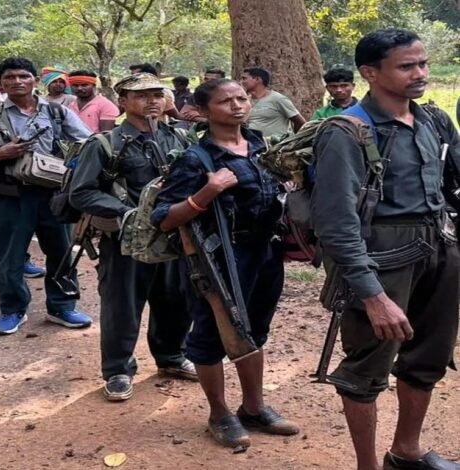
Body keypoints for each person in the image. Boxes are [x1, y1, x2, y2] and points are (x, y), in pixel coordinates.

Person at [311, 29, 460, 470]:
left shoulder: (433, 119)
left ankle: (406, 452)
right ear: (370, 73)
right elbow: (335, 223)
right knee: (365, 370)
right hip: (381, 260)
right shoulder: (346, 131)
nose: (420, 74)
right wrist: (372, 295)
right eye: (407, 66)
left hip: (439, 249)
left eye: (423, 63)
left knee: (429, 358)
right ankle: (367, 466)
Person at [152, 78, 299, 449]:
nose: (237, 106)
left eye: (242, 98)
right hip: (219, 259)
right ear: (203, 112)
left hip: (266, 253)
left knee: (255, 328)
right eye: (225, 101)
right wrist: (207, 191)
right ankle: (219, 413)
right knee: (211, 333)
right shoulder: (195, 159)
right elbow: (164, 217)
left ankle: (253, 407)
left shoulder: (262, 146)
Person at [68, 73, 197, 401]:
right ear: (122, 102)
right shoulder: (104, 144)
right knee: (121, 306)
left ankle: (171, 357)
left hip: (174, 237)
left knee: (177, 300)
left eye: (157, 93)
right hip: (126, 242)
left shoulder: (180, 138)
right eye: (141, 95)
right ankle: (117, 370)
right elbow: (81, 193)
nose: (152, 100)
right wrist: (125, 212)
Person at [0, 57, 93, 335]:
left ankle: (62, 306)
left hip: (53, 196)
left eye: (23, 76)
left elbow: (88, 141)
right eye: (9, 77)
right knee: (9, 258)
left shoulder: (56, 112)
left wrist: (75, 164)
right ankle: (13, 309)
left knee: (62, 253)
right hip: (8, 198)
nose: (17, 81)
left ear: (34, 80)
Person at [239, 67, 305, 137]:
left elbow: (300, 122)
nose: (240, 82)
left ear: (257, 79)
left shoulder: (278, 99)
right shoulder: (244, 101)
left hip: (275, 146)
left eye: (244, 78)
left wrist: (292, 140)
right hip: (252, 146)